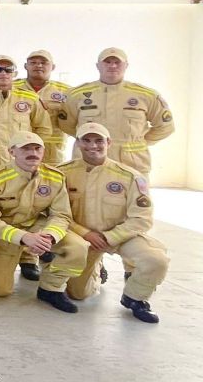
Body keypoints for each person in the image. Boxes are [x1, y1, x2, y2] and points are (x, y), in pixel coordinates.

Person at [62, 123, 168, 323]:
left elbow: (142, 218)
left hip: (121, 236)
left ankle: (135, 298)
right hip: (82, 239)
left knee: (155, 260)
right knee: (78, 293)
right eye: (86, 140)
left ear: (108, 143)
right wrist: (85, 233)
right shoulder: (62, 173)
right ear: (78, 143)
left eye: (99, 140)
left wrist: (109, 237)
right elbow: (55, 213)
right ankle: (96, 268)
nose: (93, 145)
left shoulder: (130, 176)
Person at [0, 132, 88, 313]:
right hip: (5, 233)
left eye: (37, 149)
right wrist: (24, 238)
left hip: (37, 227)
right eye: (26, 149)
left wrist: (49, 237)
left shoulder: (54, 177)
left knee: (77, 247)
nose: (33, 153)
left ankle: (51, 289)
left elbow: (61, 215)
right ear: (12, 151)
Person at [58, 48, 174, 177]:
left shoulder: (146, 95)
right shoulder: (77, 95)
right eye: (107, 62)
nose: (112, 66)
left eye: (117, 62)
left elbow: (165, 127)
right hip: (88, 162)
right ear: (98, 66)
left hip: (132, 164)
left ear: (126, 66)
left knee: (134, 191)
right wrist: (90, 141)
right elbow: (66, 125)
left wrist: (137, 143)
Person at [17, 50, 72, 164]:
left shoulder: (66, 91)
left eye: (43, 62)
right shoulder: (12, 88)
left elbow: (73, 122)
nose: (38, 65)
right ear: (25, 66)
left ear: (53, 67)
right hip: (20, 151)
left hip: (53, 154)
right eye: (33, 62)